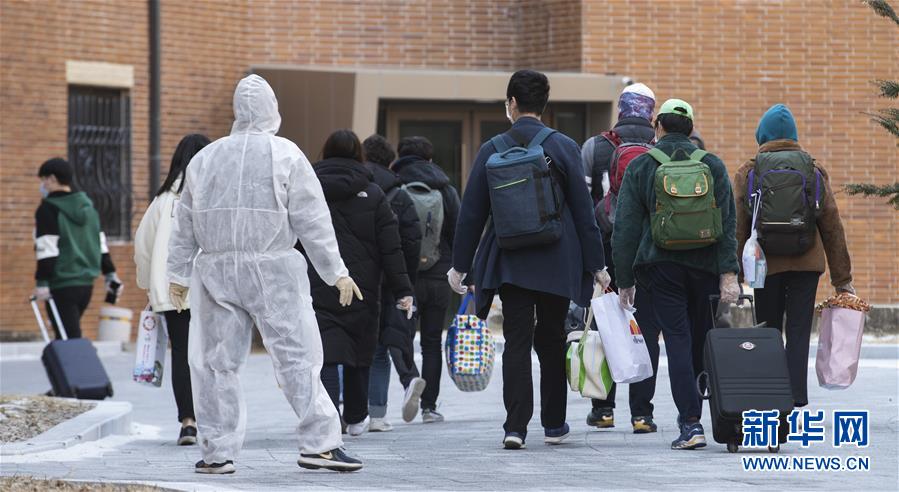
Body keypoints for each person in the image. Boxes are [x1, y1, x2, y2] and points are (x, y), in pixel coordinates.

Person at [167, 74, 363, 474]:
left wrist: (178, 273)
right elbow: (312, 220)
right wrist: (336, 272)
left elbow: (182, 221)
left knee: (214, 363)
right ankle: (320, 443)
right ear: (273, 109)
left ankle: (217, 451)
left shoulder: (205, 159)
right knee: (298, 356)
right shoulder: (286, 154)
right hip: (273, 268)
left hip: (216, 270)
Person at [450, 69, 610, 449]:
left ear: (511, 104)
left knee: (517, 341)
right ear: (544, 105)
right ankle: (554, 423)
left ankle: (515, 428)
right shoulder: (563, 146)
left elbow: (472, 213)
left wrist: (459, 265)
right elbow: (584, 214)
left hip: (511, 260)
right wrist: (597, 266)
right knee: (552, 338)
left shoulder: (492, 148)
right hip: (557, 259)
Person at [612, 98, 740, 450]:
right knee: (702, 342)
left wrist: (624, 279)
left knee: (678, 343)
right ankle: (720, 419)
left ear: (658, 126)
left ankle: (690, 424)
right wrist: (729, 273)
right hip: (704, 267)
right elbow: (728, 224)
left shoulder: (642, 166)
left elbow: (624, 228)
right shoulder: (712, 165)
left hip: (661, 267)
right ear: (690, 128)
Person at [734, 104, 853, 408]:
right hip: (806, 263)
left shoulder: (750, 170)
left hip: (765, 263)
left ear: (763, 135)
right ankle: (796, 395)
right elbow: (832, 225)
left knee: (769, 330)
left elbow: (737, 225)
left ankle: (771, 397)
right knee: (799, 331)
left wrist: (733, 273)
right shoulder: (812, 170)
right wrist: (843, 280)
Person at [303, 129, 414, 437]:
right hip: (364, 285)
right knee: (359, 352)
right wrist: (403, 289)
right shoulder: (374, 192)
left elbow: (295, 238)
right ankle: (356, 416)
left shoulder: (308, 189)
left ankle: (329, 415)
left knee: (325, 351)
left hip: (319, 280)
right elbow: (391, 247)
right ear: (358, 155)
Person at [580, 83, 659, 433]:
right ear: (650, 113)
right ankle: (642, 413)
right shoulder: (661, 149)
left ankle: (604, 409)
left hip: (606, 247)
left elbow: (583, 205)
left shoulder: (595, 147)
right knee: (646, 329)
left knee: (607, 325)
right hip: (651, 250)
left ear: (620, 110)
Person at [134, 134, 210, 446]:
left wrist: (148, 286)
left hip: (171, 292)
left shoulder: (162, 201)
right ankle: (217, 419)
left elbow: (142, 247)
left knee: (181, 354)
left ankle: (188, 422)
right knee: (212, 356)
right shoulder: (212, 196)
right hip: (210, 290)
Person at [392, 135, 461, 424]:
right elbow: (458, 230)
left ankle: (410, 381)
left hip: (404, 278)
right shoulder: (445, 188)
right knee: (432, 341)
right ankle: (429, 407)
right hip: (438, 274)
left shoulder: (394, 187)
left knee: (401, 336)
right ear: (430, 159)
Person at [362, 134, 426, 432]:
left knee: (354, 344)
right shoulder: (399, 194)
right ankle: (378, 416)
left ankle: (346, 412)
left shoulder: (355, 187)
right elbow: (412, 240)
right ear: (390, 160)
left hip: (357, 276)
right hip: (392, 274)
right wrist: (406, 280)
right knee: (381, 348)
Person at [33, 157, 121, 340]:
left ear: (52, 179)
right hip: (86, 284)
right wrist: (110, 273)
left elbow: (47, 249)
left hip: (62, 283)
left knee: (69, 337)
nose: (42, 185)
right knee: (66, 334)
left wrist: (42, 283)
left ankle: (79, 368)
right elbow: (100, 243)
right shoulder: (89, 208)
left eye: (43, 180)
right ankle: (66, 367)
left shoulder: (48, 209)